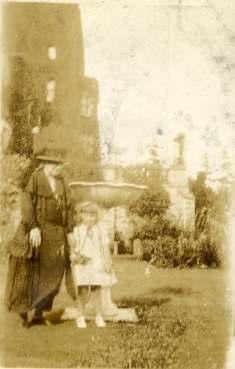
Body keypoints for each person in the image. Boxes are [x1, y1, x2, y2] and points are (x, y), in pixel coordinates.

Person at [5, 149, 76, 327]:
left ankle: (38, 313)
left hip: (56, 234)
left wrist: (70, 231)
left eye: (60, 164)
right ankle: (23, 314)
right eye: (55, 164)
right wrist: (33, 227)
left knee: (53, 273)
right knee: (29, 272)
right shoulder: (35, 179)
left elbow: (68, 208)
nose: (59, 167)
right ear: (45, 164)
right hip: (36, 230)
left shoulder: (62, 182)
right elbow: (26, 203)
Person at [70, 202, 116, 328]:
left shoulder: (100, 230)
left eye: (93, 216)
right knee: (82, 291)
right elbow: (74, 248)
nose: (90, 218)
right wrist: (75, 256)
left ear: (97, 217)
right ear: (82, 216)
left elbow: (105, 247)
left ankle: (99, 316)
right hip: (83, 263)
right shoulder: (77, 230)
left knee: (96, 290)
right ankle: (80, 316)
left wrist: (107, 261)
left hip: (96, 262)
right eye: (87, 215)